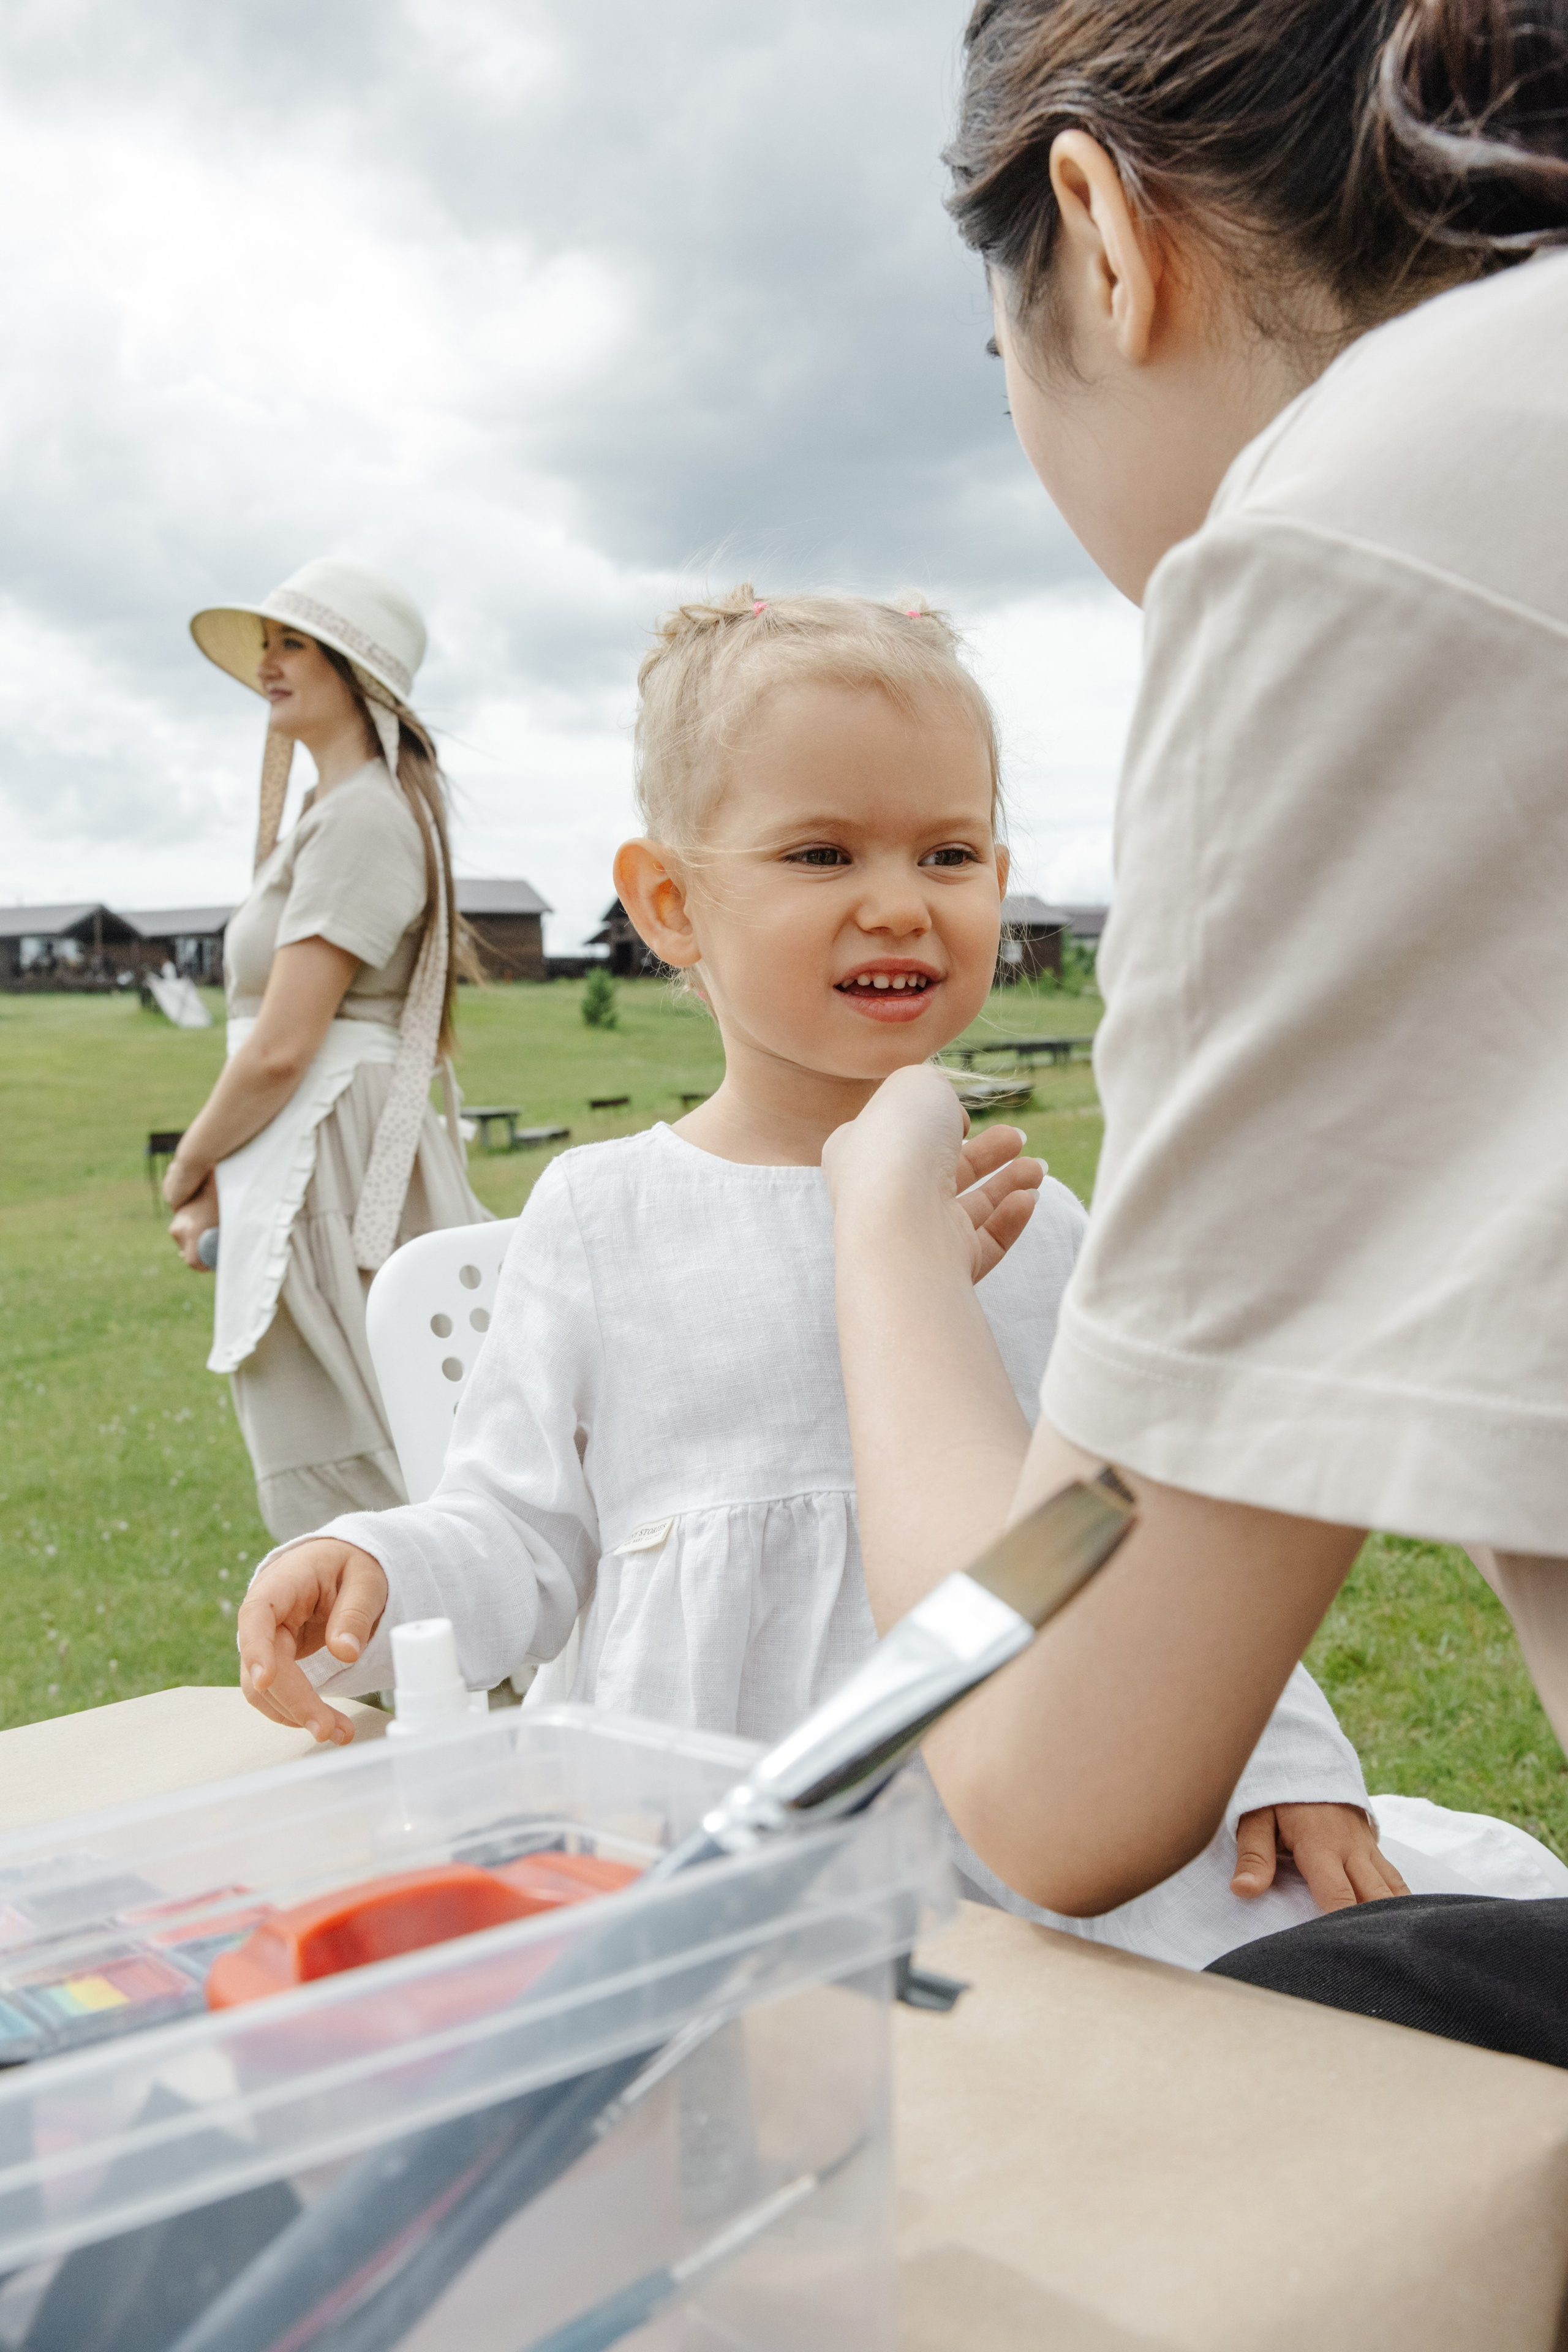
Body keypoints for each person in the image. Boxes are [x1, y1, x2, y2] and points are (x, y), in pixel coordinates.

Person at [229, 587, 1557, 1970]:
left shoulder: (1030, 1221)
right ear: (672, 902)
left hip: (1036, 1851)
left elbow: (1151, 1547)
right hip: (733, 1855)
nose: (896, 905)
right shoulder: (603, 1216)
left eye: (947, 851)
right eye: (819, 853)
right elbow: (516, 1534)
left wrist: (1283, 1753)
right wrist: (374, 1564)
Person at [823, 0, 1568, 2000]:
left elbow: (1056, 1773)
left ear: (1103, 230)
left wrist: (885, 1234)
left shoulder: (1349, 529)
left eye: (1007, 387)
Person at [164, 557, 488, 1539]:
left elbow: (281, 1047)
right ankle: (404, 1673)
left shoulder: (363, 820)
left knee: (365, 1446)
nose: (269, 661)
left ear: (356, 671)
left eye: (293, 642)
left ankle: (446, 1673)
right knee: (353, 1435)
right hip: (305, 1145)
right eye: (266, 642)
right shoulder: (335, 813)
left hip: (334, 1154)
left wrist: (188, 1165)